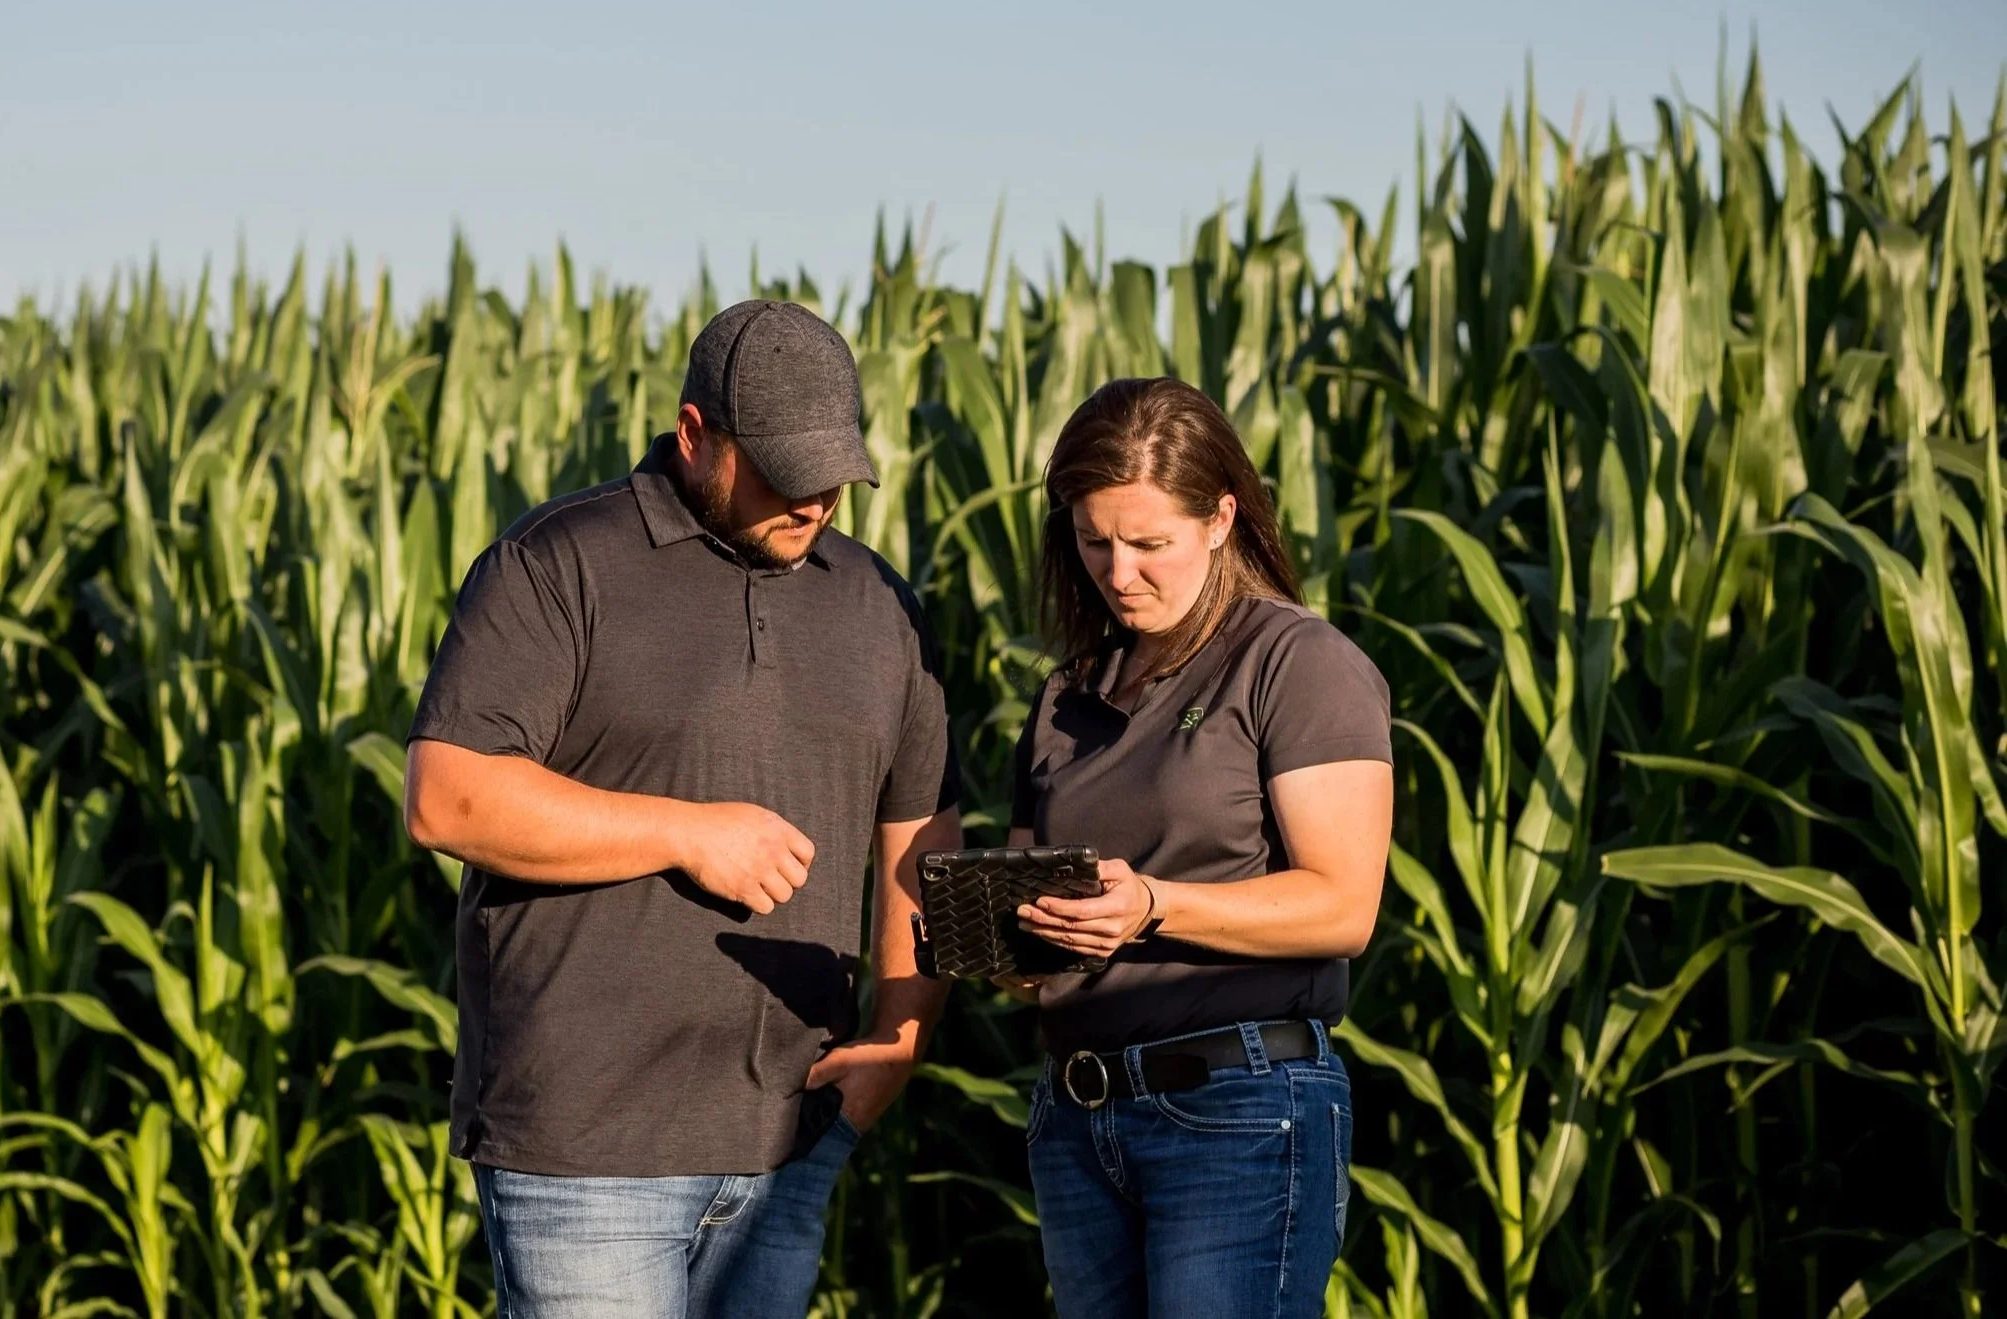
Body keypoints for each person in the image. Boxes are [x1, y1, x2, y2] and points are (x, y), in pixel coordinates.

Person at [402, 299, 962, 1319]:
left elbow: (920, 832)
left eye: (834, 470)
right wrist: (686, 830)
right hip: (586, 1154)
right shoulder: (561, 564)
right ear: (694, 435)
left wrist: (901, 1036)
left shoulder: (874, 603)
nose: (817, 500)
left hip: (789, 1142)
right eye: (786, 471)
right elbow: (449, 797)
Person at [1004, 376, 1393, 1318]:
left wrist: (1153, 904)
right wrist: (1014, 941)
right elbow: (1033, 907)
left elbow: (1344, 905)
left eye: (1149, 543)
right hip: (1076, 1116)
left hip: (1239, 1113)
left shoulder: (1297, 663)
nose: (1118, 569)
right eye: (1094, 540)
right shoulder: (1068, 696)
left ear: (1220, 519)